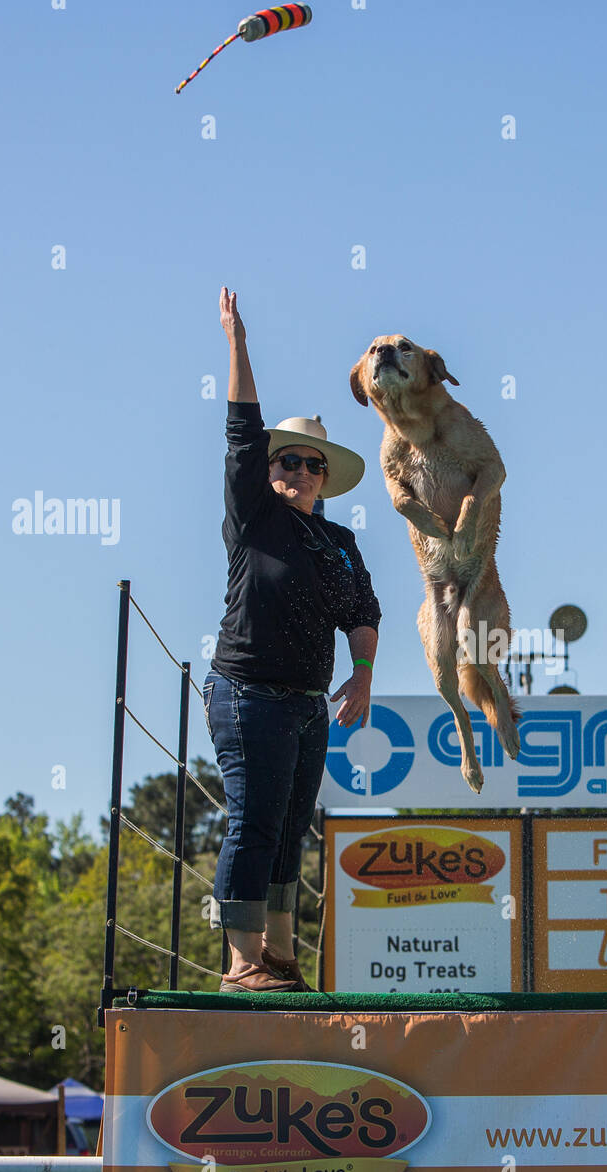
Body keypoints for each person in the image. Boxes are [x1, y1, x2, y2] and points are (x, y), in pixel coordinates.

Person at [204, 287, 381, 992]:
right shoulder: (253, 515)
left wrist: (362, 674)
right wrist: (237, 344)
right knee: (252, 821)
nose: (299, 472)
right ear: (271, 469)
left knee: (287, 829)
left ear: (326, 479)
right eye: (289, 461)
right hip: (247, 693)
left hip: (309, 704)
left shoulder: (336, 539)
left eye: (313, 465)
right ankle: (240, 962)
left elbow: (362, 609)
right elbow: (242, 429)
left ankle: (279, 955)